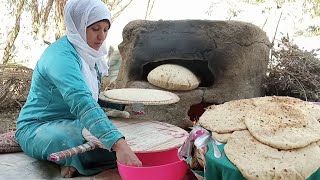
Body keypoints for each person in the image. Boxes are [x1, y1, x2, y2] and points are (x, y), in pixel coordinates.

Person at [15, 0, 142, 178]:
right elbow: (81, 100)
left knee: (122, 137)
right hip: (39, 127)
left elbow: (93, 98)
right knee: (83, 143)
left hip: (76, 123)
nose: (102, 37)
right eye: (95, 29)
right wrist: (119, 145)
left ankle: (73, 161)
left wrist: (125, 109)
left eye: (106, 29)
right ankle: (71, 160)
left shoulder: (91, 55)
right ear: (78, 25)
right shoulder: (60, 56)